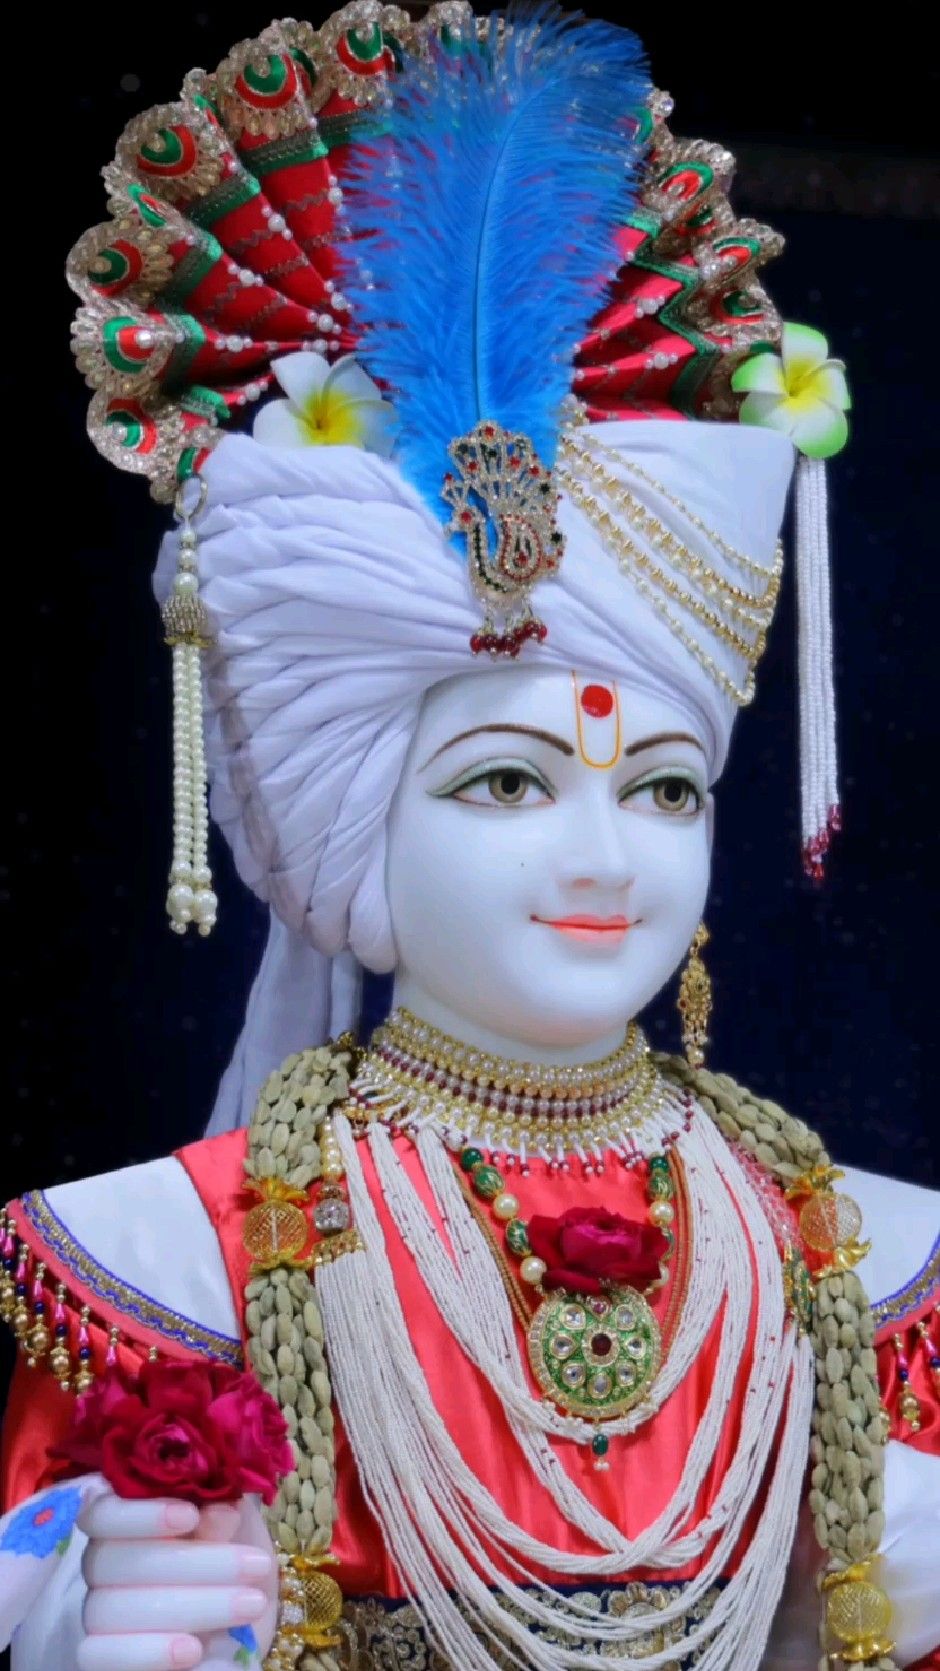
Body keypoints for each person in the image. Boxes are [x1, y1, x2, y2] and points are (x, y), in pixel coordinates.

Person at [2, 5, 937, 1669]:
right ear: (352, 824)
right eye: (507, 784)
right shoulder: (162, 1258)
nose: (606, 856)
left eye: (665, 788)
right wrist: (77, 1630)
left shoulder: (868, 1258)